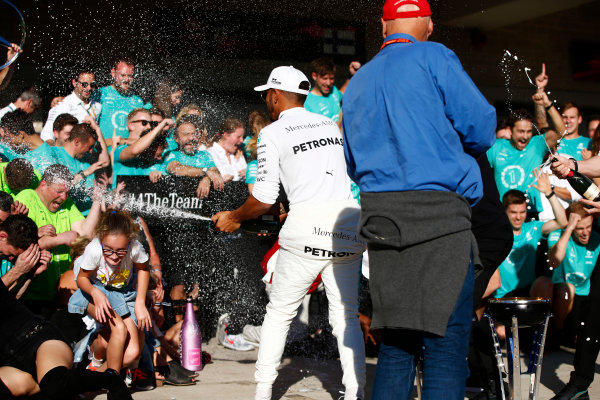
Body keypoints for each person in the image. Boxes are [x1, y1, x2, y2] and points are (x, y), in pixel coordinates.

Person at [341, 1, 496, 398]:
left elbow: (353, 163)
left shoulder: (358, 80)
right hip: (439, 218)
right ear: (429, 24)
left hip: (381, 217)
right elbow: (481, 129)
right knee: (445, 347)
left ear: (382, 26)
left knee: (396, 346)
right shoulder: (435, 55)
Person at [213, 65, 366, 400]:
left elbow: (264, 197)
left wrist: (235, 217)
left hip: (307, 228)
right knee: (346, 319)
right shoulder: (328, 123)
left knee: (280, 313)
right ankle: (355, 393)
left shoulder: (272, 133)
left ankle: (264, 392)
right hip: (347, 225)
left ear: (275, 95)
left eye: (267, 95)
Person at [0, 215, 133, 400]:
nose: (10, 257)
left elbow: (7, 298)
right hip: (12, 361)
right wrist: (23, 272)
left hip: (37, 337)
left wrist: (26, 274)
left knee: (54, 383)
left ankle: (110, 379)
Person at [68, 209, 151, 375]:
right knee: (119, 329)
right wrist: (95, 294)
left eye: (121, 251)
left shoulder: (134, 247)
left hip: (123, 295)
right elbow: (82, 278)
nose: (114, 256)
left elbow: (143, 269)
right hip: (95, 291)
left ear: (129, 242)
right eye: (109, 250)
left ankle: (92, 379)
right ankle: (110, 383)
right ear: (100, 239)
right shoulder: (94, 249)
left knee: (133, 352)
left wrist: (140, 303)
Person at [15, 164, 101, 313]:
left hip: (59, 293)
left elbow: (86, 235)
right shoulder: (27, 198)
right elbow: (17, 246)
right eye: (59, 191)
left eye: (67, 192)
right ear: (43, 185)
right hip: (29, 293)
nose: (63, 197)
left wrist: (97, 201)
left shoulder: (66, 204)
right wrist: (58, 239)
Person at [487, 92, 563, 216]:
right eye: (521, 131)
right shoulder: (495, 146)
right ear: (510, 130)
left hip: (530, 211)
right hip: (502, 212)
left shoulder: (537, 145)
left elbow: (561, 131)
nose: (525, 137)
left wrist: (547, 104)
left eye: (528, 131)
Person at [494, 183, 567, 300]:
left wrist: (549, 193)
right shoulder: (496, 233)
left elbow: (562, 222)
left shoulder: (532, 229)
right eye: (513, 212)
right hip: (501, 295)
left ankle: (546, 318)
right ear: (504, 211)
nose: (518, 217)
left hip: (528, 292)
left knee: (544, 282)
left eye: (522, 212)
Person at [163, 115, 224, 197]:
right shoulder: (171, 154)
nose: (191, 138)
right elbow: (176, 169)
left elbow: (215, 172)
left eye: (194, 134)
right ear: (176, 138)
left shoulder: (205, 155)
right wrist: (205, 172)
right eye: (186, 134)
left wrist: (207, 178)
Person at [40, 68, 102, 143]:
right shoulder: (62, 105)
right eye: (84, 84)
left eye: (92, 85)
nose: (88, 88)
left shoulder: (98, 107)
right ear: (74, 83)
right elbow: (47, 133)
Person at [93, 57, 149, 139]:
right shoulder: (100, 94)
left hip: (128, 150)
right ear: (113, 73)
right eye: (122, 75)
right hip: (104, 150)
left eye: (130, 76)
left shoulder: (138, 101)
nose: (126, 79)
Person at [304, 56, 361, 122]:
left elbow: (342, 92)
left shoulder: (333, 91)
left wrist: (351, 75)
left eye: (331, 78)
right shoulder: (307, 102)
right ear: (314, 76)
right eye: (324, 78)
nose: (328, 83)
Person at [207, 118, 247, 182]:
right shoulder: (210, 154)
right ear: (225, 135)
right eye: (238, 137)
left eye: (243, 137)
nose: (242, 140)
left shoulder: (238, 153)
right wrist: (222, 181)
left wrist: (249, 173)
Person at [244, 110, 271, 194]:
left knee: (254, 195)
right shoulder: (274, 136)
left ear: (251, 126)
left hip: (255, 169)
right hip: (273, 169)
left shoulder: (248, 141)